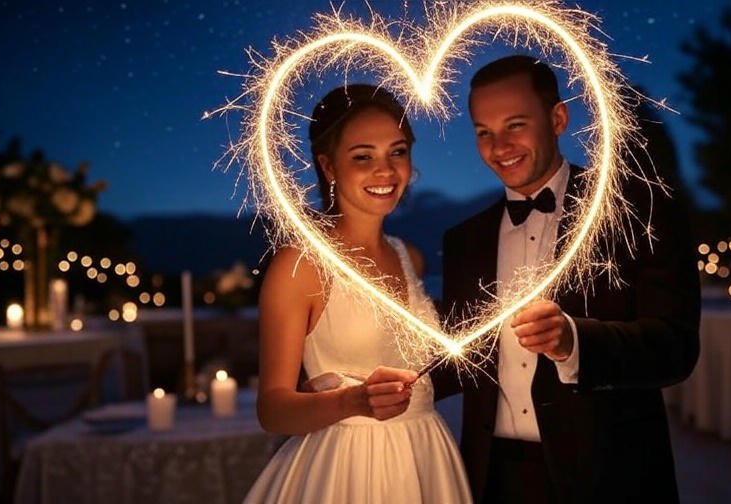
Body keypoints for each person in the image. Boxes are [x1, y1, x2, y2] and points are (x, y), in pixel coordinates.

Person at [433, 55, 701, 503]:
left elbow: (676, 349)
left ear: (558, 119)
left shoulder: (636, 211)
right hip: (493, 479)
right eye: (483, 132)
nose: (499, 146)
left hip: (611, 479)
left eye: (516, 125)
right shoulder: (464, 240)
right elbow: (462, 360)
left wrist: (574, 343)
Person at [245, 84, 471, 503]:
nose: (385, 171)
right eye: (363, 157)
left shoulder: (410, 257)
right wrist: (353, 401)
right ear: (328, 166)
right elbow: (272, 411)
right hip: (347, 467)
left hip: (425, 454)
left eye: (397, 152)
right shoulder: (301, 266)